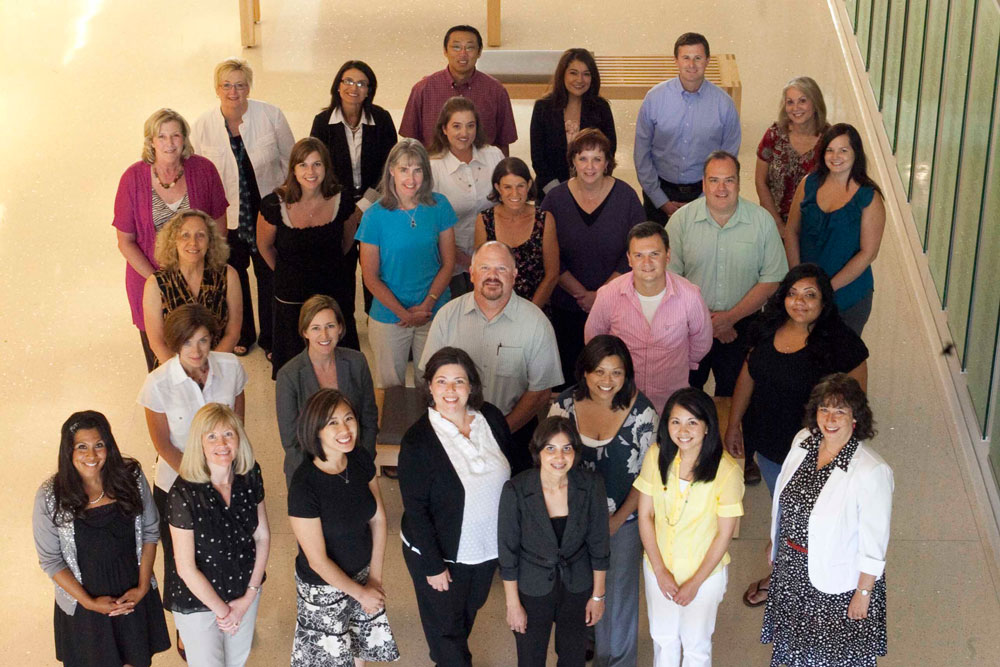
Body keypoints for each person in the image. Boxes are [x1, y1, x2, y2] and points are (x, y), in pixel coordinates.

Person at [724, 263, 869, 608]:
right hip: (772, 449)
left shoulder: (842, 344)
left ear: (824, 301)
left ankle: (805, 583)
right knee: (784, 516)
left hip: (818, 457)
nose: (799, 302)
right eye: (792, 293)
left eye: (810, 295)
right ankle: (783, 577)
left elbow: (856, 407)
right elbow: (748, 375)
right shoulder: (765, 328)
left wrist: (836, 457)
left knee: (812, 522)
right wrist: (733, 424)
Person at [667, 151, 788, 484]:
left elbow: (773, 277)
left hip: (744, 323)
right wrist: (708, 322)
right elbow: (670, 278)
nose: (722, 188)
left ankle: (740, 454)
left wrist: (730, 318)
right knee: (686, 391)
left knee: (739, 392)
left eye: (729, 180)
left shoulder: (760, 221)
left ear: (739, 181)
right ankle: (685, 455)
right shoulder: (680, 221)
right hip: (690, 323)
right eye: (714, 180)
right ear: (703, 183)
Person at [761, 374, 892, 666]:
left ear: (855, 417)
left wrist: (864, 592)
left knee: (829, 658)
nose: (830, 418)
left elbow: (875, 541)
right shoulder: (803, 442)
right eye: (824, 409)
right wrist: (776, 539)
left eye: (840, 411)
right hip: (792, 572)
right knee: (792, 653)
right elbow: (785, 501)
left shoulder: (871, 471)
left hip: (836, 584)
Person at [398, 347, 516, 666]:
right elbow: (416, 510)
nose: (451, 390)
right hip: (440, 554)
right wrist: (434, 566)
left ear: (472, 387)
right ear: (430, 387)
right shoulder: (417, 441)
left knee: (464, 617)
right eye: (442, 381)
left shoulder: (490, 417)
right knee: (447, 634)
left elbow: (512, 470)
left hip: (485, 549)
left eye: (459, 381)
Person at [548, 336, 658, 666]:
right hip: (569, 519)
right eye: (599, 371)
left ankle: (619, 661)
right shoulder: (563, 406)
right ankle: (584, 642)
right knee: (575, 588)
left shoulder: (644, 414)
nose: (607, 382)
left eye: (616, 373)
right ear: (584, 371)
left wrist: (616, 520)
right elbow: (549, 464)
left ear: (627, 375)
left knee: (619, 595)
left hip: (621, 521)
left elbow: (646, 478)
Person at [138, 304, 248, 629]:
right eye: (187, 343)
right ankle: (187, 625)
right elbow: (163, 445)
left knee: (225, 550)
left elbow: (237, 425)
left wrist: (224, 476)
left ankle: (227, 611)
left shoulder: (231, 368)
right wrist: (199, 483)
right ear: (175, 344)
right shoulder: (157, 384)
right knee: (182, 559)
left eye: (202, 340)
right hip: (178, 486)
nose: (196, 350)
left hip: (226, 479)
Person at [33, 411, 170, 667]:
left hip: (132, 593)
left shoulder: (131, 477)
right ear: (68, 451)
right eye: (81, 447)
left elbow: (151, 531)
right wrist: (90, 603)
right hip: (85, 605)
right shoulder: (50, 496)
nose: (91, 455)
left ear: (109, 445)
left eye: (99, 445)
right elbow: (51, 561)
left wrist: (141, 588)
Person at [419, 242, 564, 473]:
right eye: (485, 268)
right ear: (472, 273)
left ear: (515, 275)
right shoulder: (447, 316)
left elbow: (540, 393)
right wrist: (456, 430)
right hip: (452, 434)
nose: (493, 276)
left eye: (502, 269)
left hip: (513, 433)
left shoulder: (536, 323)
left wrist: (499, 430)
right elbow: (430, 380)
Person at [191, 57, 296, 357]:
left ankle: (272, 339)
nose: (233, 91)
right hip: (227, 217)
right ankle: (242, 333)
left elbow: (291, 161)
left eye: (240, 85)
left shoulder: (271, 116)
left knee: (269, 272)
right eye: (226, 85)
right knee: (233, 275)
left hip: (266, 212)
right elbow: (198, 174)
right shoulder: (202, 125)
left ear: (249, 87)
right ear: (216, 88)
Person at [288, 389, 400, 666]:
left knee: (359, 652)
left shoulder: (360, 458)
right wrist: (361, 593)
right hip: (324, 588)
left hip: (363, 574)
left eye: (348, 418)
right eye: (332, 422)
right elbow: (317, 560)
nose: (344, 429)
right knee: (333, 659)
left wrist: (374, 578)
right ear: (315, 431)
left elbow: (378, 518)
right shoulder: (304, 486)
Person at [634, 388, 745, 667]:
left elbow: (724, 533)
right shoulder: (656, 456)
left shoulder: (726, 471)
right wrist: (659, 570)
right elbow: (645, 514)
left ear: (707, 426)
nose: (683, 430)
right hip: (659, 568)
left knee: (696, 646)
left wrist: (695, 583)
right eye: (675, 421)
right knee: (663, 638)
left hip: (703, 574)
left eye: (692, 422)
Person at [113, 108, 228, 370]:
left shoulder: (204, 170)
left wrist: (207, 268)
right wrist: (159, 281)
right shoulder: (132, 179)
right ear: (150, 141)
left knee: (203, 355)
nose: (169, 143)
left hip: (200, 279)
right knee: (162, 361)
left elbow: (219, 225)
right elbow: (125, 240)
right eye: (161, 136)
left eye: (175, 135)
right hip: (149, 282)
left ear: (185, 139)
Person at [498, 416, 611, 667]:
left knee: (573, 658)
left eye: (566, 449)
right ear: (538, 451)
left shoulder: (591, 486)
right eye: (550, 448)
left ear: (575, 452)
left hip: (577, 584)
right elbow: (507, 553)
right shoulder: (516, 489)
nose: (559, 458)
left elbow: (599, 544)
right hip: (532, 585)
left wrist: (598, 596)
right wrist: (513, 604)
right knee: (530, 658)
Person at [167, 403, 270, 667]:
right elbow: (186, 568)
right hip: (199, 600)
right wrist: (225, 612)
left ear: (239, 439)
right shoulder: (183, 493)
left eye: (228, 434)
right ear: (199, 443)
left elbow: (262, 537)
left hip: (244, 592)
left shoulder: (250, 474)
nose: (221, 443)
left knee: (236, 662)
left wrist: (248, 596)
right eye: (211, 436)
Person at [541, 128, 645, 388]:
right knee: (570, 381)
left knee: (611, 379)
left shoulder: (627, 197)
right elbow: (548, 251)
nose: (590, 166)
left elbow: (637, 249)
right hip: (567, 307)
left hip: (617, 307)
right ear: (573, 161)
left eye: (597, 159)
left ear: (608, 162)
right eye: (583, 158)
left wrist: (602, 295)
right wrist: (581, 295)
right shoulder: (554, 199)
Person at [355, 139, 457, 389]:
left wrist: (427, 305)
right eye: (403, 169)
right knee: (390, 391)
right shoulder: (374, 216)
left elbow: (448, 263)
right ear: (391, 170)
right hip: (390, 316)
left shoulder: (439, 205)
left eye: (417, 169)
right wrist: (403, 313)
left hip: (433, 311)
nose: (411, 178)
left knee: (435, 386)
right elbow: (370, 277)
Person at [585, 222, 713, 413]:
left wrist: (678, 363)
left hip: (671, 403)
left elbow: (701, 343)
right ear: (629, 259)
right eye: (639, 255)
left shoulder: (690, 296)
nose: (646, 263)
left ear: (668, 255)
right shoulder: (608, 295)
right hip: (620, 401)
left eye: (654, 254)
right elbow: (595, 342)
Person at [257, 137, 358, 376]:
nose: (310, 171)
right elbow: (265, 247)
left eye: (317, 164)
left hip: (333, 296)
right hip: (291, 300)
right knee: (295, 373)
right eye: (303, 165)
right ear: (292, 168)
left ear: (326, 167)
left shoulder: (342, 201)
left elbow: (346, 243)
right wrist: (287, 272)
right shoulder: (273, 205)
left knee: (339, 370)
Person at [310, 59, 398, 317]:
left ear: (369, 90)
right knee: (340, 269)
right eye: (348, 81)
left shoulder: (381, 119)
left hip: (378, 205)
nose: (354, 88)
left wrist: (364, 206)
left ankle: (378, 320)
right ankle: (342, 324)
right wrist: (349, 207)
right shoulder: (322, 121)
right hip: (338, 207)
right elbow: (318, 169)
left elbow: (390, 168)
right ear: (338, 86)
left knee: (378, 268)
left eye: (362, 83)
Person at [785, 123, 886, 335]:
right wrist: (798, 279)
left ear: (856, 153)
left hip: (847, 298)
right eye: (830, 149)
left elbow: (868, 253)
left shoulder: (869, 197)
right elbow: (792, 231)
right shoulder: (808, 184)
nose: (835, 156)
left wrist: (825, 289)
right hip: (803, 296)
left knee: (838, 363)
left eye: (843, 150)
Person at [634, 32, 741, 225]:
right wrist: (661, 201)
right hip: (659, 192)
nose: (691, 65)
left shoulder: (724, 105)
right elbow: (642, 154)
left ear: (707, 61)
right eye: (686, 58)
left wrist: (702, 201)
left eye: (698, 58)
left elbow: (729, 158)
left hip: (707, 194)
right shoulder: (654, 99)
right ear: (676, 60)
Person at [276, 295, 378, 488]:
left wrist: (360, 461)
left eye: (330, 326)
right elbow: (291, 440)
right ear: (304, 332)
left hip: (354, 461)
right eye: (316, 328)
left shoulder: (357, 362)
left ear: (340, 328)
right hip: (308, 470)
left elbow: (369, 418)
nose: (324, 335)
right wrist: (326, 472)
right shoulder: (288, 375)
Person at [142, 209, 242, 366]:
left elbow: (233, 332)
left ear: (210, 241)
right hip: (172, 369)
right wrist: (185, 375)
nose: (193, 243)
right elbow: (156, 341)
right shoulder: (155, 284)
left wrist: (208, 369)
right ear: (173, 240)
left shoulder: (228, 275)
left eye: (200, 235)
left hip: (217, 364)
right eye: (185, 235)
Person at [400, 24, 518, 154]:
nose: (463, 54)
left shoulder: (496, 91)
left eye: (469, 48)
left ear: (479, 52)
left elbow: (503, 143)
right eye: (456, 47)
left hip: (482, 169)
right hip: (434, 169)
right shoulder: (423, 89)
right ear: (445, 51)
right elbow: (410, 143)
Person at [429, 96, 505, 295]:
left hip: (494, 261)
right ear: (444, 129)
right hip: (450, 265)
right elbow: (431, 225)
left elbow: (507, 204)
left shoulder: (494, 156)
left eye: (470, 126)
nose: (464, 133)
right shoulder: (433, 167)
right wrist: (465, 260)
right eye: (456, 126)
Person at [530, 48, 617, 199]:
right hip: (551, 192)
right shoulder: (543, 107)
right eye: (573, 73)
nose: (579, 80)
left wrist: (591, 188)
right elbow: (538, 158)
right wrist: (559, 193)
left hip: (592, 191)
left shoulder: (601, 108)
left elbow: (609, 152)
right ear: (562, 74)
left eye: (586, 74)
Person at [474, 158, 559, 308]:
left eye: (520, 186)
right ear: (498, 188)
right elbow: (480, 272)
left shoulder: (545, 219)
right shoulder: (484, 220)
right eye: (507, 187)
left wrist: (529, 312)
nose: (515, 193)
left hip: (536, 308)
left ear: (529, 185)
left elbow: (552, 274)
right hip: (494, 308)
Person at [755, 77, 830, 235]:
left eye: (802, 100)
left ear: (815, 103)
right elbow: (761, 181)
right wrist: (777, 224)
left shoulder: (830, 140)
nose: (795, 108)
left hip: (815, 230)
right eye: (790, 102)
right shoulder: (774, 135)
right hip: (774, 225)